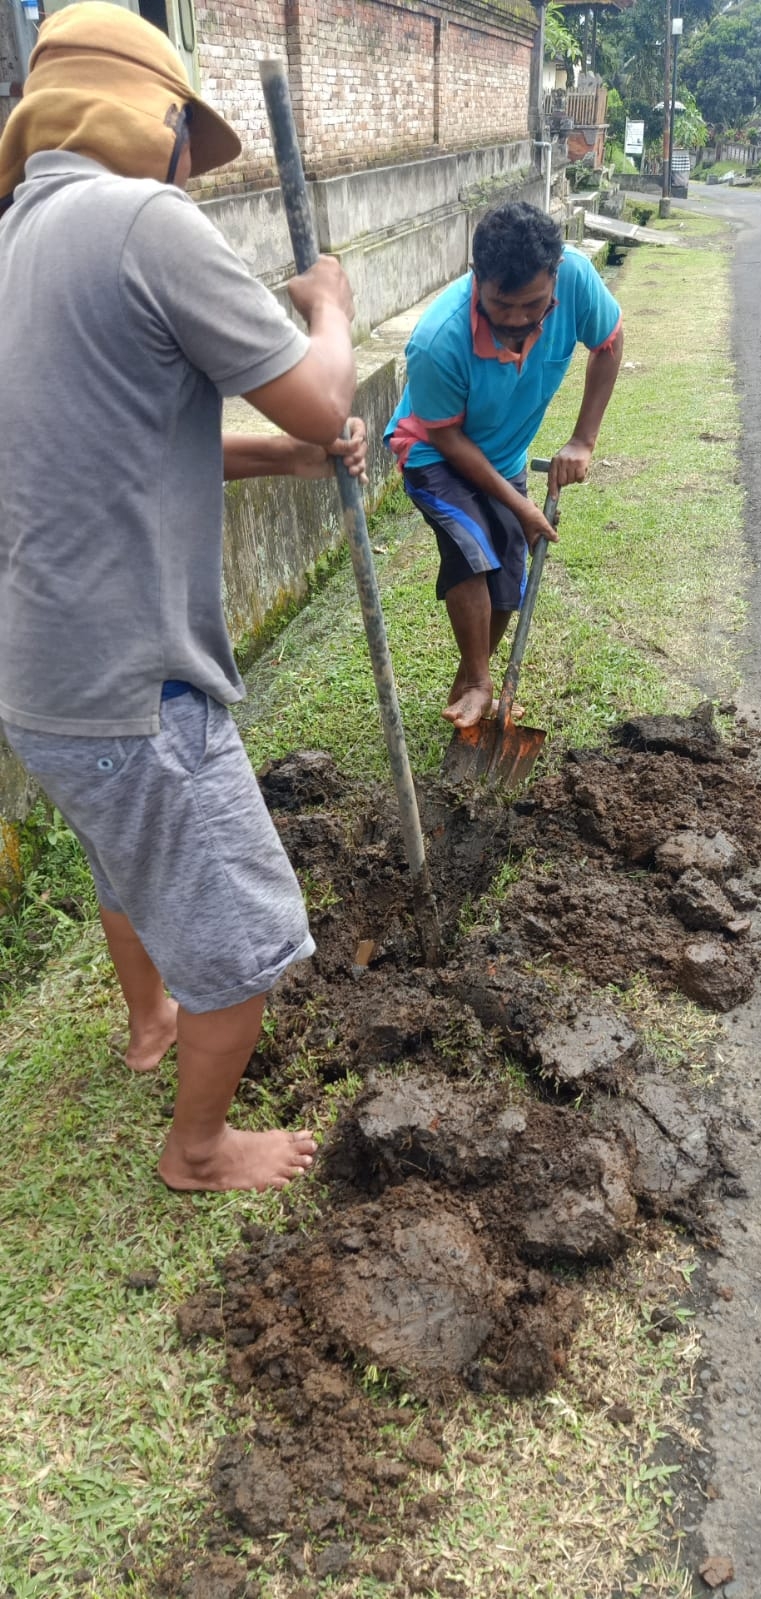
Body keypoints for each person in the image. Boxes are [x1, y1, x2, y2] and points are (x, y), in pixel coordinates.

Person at [0, 3, 368, 1193]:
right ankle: (198, 1148)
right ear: (156, 119)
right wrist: (331, 306)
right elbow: (319, 395)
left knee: (127, 863)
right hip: (132, 678)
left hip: (40, 683)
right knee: (247, 930)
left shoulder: (17, 244)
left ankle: (149, 1025)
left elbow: (110, 445)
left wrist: (276, 460)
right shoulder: (141, 220)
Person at [384, 200, 623, 729]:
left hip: (504, 454)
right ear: (477, 280)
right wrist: (520, 504)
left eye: (532, 304)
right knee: (473, 547)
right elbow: (444, 435)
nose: (516, 320)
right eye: (500, 305)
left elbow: (608, 343)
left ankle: (471, 680)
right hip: (434, 449)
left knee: (509, 572)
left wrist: (583, 439)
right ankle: (478, 681)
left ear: (555, 277)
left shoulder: (577, 282)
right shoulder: (436, 341)